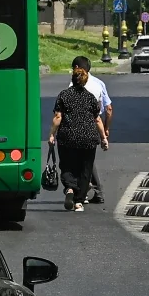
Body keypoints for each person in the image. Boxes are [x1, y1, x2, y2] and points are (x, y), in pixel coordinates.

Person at [48, 69, 108, 212]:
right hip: (88, 138)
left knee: (67, 165)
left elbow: (58, 117)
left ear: (72, 79)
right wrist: (103, 138)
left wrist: (51, 135)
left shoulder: (63, 95)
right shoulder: (90, 97)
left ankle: (69, 188)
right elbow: (97, 119)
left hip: (67, 137)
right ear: (85, 81)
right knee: (85, 169)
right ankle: (79, 202)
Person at [71, 56, 112, 204]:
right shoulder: (99, 83)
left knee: (80, 158)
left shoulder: (73, 83)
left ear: (76, 67)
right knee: (88, 158)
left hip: (77, 125)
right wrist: (105, 131)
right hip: (95, 124)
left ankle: (84, 188)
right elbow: (108, 109)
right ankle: (93, 189)